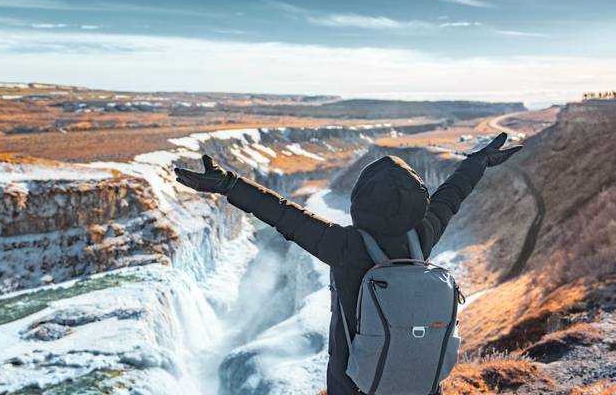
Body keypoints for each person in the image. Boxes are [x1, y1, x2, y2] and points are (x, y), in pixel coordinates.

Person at [174, 133, 522, 394]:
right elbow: (452, 194)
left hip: (353, 384)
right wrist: (479, 161)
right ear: (417, 202)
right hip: (422, 383)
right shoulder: (422, 234)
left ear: (360, 203)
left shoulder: (344, 246)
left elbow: (282, 212)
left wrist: (227, 184)